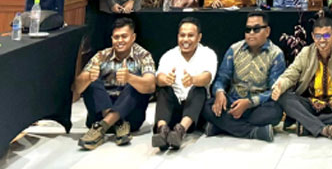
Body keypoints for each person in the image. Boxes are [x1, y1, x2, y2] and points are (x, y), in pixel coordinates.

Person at [272, 17, 332, 141]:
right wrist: (279, 86)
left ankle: (308, 125)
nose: (322, 40)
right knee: (285, 97)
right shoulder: (306, 53)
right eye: (318, 36)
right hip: (311, 105)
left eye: (326, 35)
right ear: (313, 37)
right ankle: (326, 128)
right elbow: (290, 75)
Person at [74, 18, 156, 150]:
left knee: (136, 83)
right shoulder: (101, 55)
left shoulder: (143, 56)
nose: (120, 40)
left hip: (131, 117)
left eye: (124, 36)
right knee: (92, 81)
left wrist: (130, 78)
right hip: (100, 112)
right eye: (116, 37)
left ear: (133, 37)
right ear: (112, 39)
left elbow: (151, 86)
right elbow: (77, 88)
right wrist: (88, 77)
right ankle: (117, 122)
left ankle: (102, 127)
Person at [203, 12, 285, 142]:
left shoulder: (276, 54)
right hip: (232, 103)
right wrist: (219, 93)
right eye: (248, 29)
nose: (251, 33)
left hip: (257, 106)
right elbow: (221, 79)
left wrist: (249, 103)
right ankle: (254, 132)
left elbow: (274, 90)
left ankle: (221, 126)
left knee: (275, 112)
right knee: (207, 106)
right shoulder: (234, 49)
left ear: (267, 31)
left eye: (256, 29)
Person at [152, 17, 217, 151]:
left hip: (196, 113)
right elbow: (158, 78)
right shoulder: (169, 55)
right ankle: (162, 131)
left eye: (190, 35)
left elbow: (207, 77)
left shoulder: (208, 54)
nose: (185, 39)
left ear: (199, 37)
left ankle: (180, 131)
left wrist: (193, 80)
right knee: (164, 89)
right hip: (174, 110)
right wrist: (166, 79)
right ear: (178, 37)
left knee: (199, 89)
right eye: (182, 35)